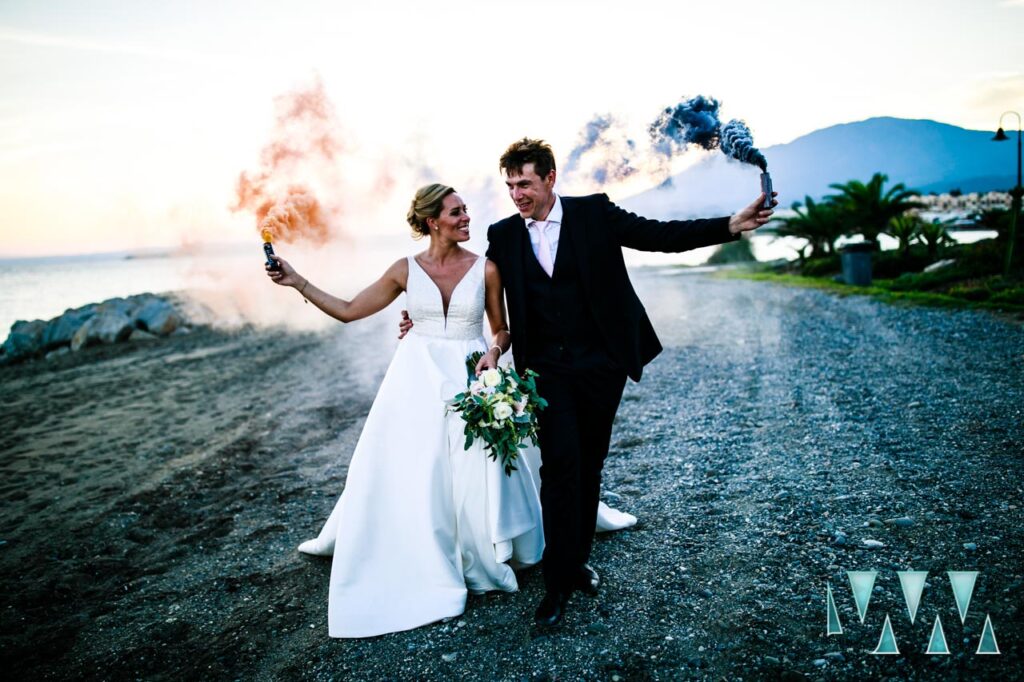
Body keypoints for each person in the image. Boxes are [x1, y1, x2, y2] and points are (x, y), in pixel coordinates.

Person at [400, 138, 776, 627]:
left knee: (591, 462)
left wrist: (728, 225)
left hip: (602, 363)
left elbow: (658, 235)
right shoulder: (504, 235)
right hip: (544, 372)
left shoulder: (594, 213)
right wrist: (422, 318)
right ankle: (557, 583)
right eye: (511, 185)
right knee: (559, 467)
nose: (518, 193)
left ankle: (575, 562)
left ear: (550, 179)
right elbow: (474, 285)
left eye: (526, 183)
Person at [267, 184, 545, 638]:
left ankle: (481, 549)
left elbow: (502, 329)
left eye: (465, 211)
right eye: (456, 213)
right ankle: (421, 548)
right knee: (418, 465)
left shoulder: (487, 269)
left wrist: (494, 353)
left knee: (476, 464)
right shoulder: (404, 270)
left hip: (469, 372)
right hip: (416, 379)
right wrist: (297, 281)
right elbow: (349, 309)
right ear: (432, 221)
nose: (465, 218)